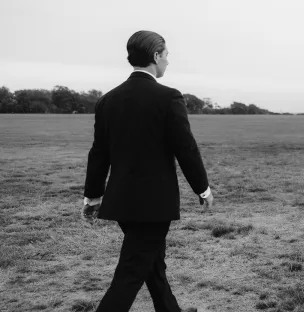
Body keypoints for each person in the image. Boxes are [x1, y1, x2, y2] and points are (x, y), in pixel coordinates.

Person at [82, 30, 214, 312]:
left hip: (122, 203)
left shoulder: (108, 100)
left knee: (153, 267)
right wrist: (203, 189)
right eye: (166, 55)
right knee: (130, 274)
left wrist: (92, 197)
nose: (168, 61)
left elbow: (99, 153)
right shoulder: (168, 97)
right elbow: (185, 148)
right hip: (155, 205)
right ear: (155, 56)